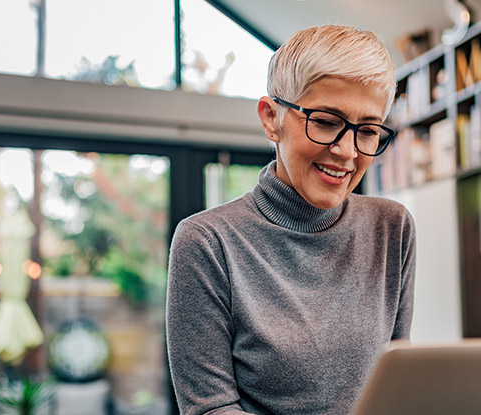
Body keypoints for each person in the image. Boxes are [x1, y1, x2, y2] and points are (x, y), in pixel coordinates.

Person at [166, 24, 416, 415]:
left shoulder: (392, 228)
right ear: (271, 118)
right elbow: (209, 409)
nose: (347, 151)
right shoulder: (206, 242)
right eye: (326, 121)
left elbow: (398, 384)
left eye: (367, 130)